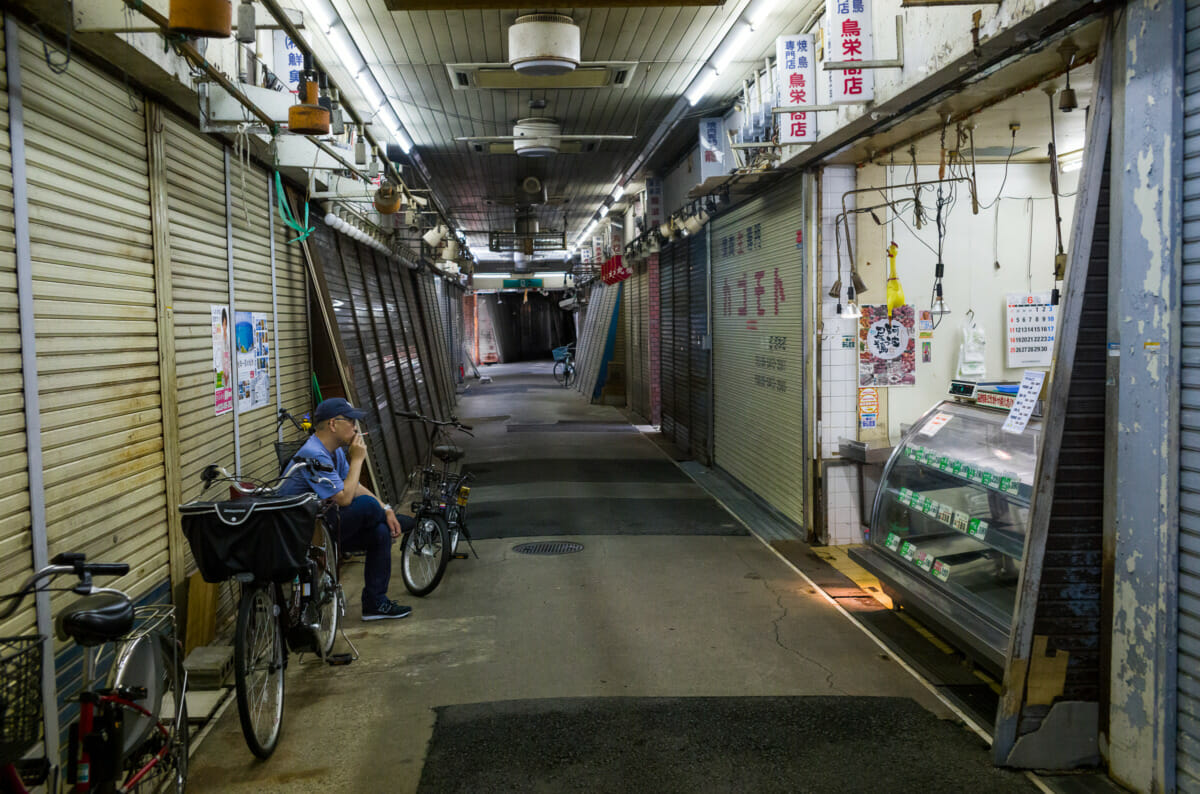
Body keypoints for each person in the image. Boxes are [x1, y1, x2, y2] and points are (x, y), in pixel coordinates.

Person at [279, 397, 413, 620]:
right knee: (368, 506)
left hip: (323, 524)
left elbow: (355, 486)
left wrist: (387, 509)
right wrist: (358, 460)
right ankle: (397, 521)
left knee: (379, 533)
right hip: (304, 532)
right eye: (350, 421)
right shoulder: (313, 453)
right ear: (333, 424)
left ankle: (375, 603)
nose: (355, 426)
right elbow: (343, 498)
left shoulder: (335, 451)